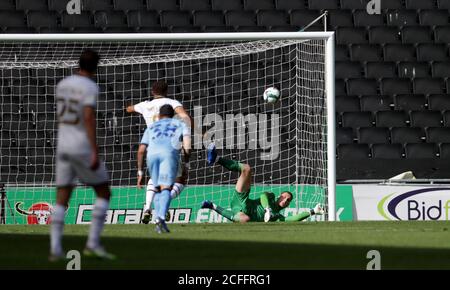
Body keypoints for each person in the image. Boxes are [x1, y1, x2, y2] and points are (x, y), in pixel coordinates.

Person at [50, 49, 115, 261]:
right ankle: (93, 243)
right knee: (104, 192)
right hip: (81, 145)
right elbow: (87, 117)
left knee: (62, 197)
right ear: (96, 67)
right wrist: (94, 149)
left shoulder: (62, 84)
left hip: (63, 145)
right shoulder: (90, 87)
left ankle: (55, 249)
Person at [201, 143, 324, 223]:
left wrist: (312, 211)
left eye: (288, 201)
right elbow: (262, 196)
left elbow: (292, 219)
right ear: (279, 196)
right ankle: (216, 159)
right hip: (242, 200)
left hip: (240, 211)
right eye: (285, 197)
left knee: (245, 219)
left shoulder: (276, 216)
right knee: (247, 169)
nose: (286, 200)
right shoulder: (270, 197)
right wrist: (267, 209)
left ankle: (212, 206)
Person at [126, 81, 192, 224]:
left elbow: (129, 109)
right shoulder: (172, 103)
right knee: (179, 181)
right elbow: (185, 116)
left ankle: (147, 208)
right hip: (171, 150)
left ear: (152, 91)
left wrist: (136, 108)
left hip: (153, 150)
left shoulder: (145, 106)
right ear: (167, 90)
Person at [137, 105, 191, 233]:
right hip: (169, 155)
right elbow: (187, 146)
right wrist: (187, 162)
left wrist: (140, 171)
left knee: (156, 187)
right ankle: (161, 217)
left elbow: (141, 150)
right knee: (170, 186)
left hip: (152, 156)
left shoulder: (151, 127)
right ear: (173, 115)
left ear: (160, 115)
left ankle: (149, 209)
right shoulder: (180, 124)